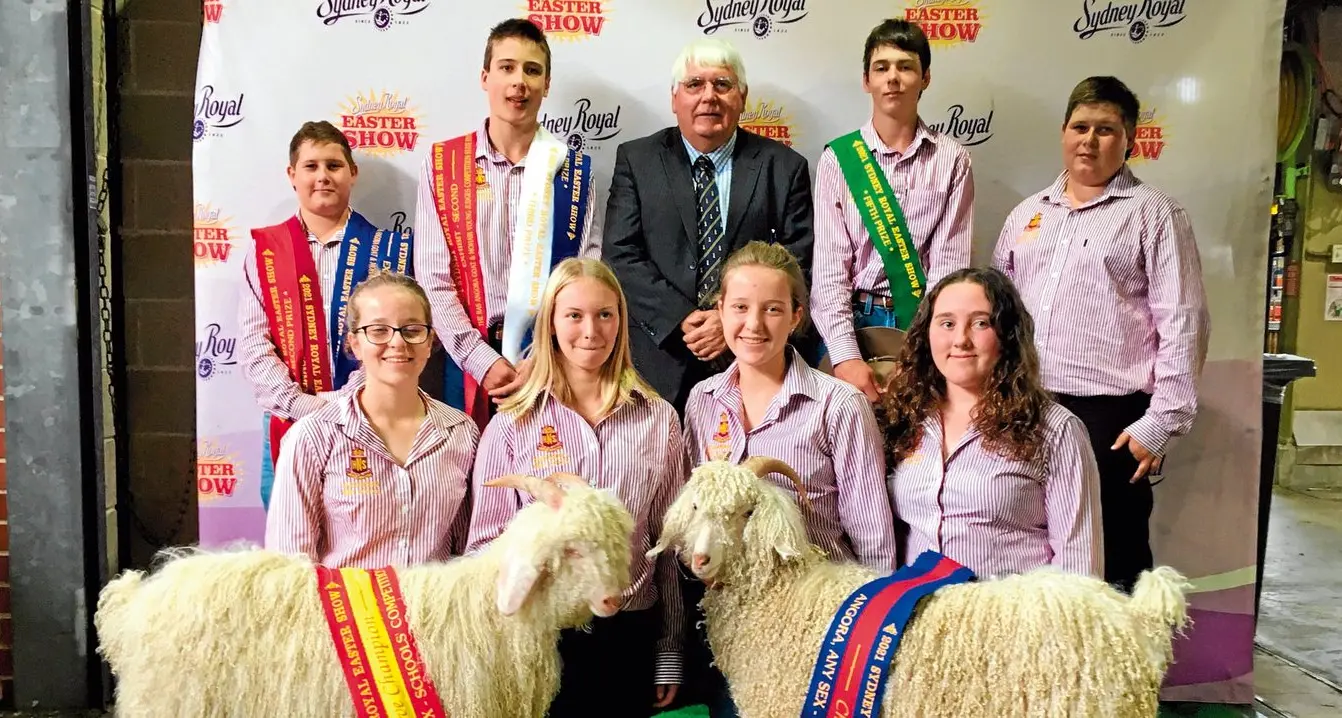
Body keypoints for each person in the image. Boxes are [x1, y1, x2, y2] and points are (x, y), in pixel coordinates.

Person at [992, 76, 1209, 592]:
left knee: (1114, 554)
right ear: (1063, 133)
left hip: (1110, 419)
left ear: (1130, 139)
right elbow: (998, 309)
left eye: (1106, 130)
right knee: (1030, 548)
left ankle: (1124, 668)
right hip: (1027, 405)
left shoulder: (1154, 214)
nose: (1089, 140)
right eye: (1080, 126)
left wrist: (1160, 422)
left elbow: (1183, 321)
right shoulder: (1028, 214)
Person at [681, 241, 896, 717]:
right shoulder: (702, 402)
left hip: (823, 627)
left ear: (797, 316)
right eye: (739, 307)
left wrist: (875, 636)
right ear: (720, 310)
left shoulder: (838, 405)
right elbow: (695, 517)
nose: (753, 325)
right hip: (733, 628)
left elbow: (873, 535)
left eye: (773, 309)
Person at [465, 258, 685, 717]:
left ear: (621, 322)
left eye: (605, 314)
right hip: (541, 636)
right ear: (550, 323)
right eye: (575, 315)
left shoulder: (658, 419)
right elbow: (483, 548)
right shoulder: (511, 425)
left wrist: (669, 648)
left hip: (628, 631)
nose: (591, 330)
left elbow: (666, 546)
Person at [603, 37, 815, 413]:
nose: (709, 97)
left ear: (742, 97)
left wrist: (727, 317)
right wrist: (680, 319)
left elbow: (796, 262)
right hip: (657, 360)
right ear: (674, 99)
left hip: (753, 359)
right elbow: (620, 254)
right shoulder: (637, 160)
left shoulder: (784, 168)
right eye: (694, 84)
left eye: (722, 84)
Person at [415, 17, 601, 429]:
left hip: (552, 365)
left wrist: (546, 356)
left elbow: (586, 278)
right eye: (507, 67)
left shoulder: (572, 171)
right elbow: (433, 278)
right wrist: (481, 360)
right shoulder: (444, 164)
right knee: (465, 486)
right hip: (464, 364)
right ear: (485, 77)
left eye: (532, 70)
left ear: (547, 84)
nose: (519, 81)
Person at [881, 267, 1103, 579]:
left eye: (980, 323)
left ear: (1007, 334)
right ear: (925, 334)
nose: (960, 340)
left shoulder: (1056, 430)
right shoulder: (905, 418)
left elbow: (1079, 563)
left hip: (1014, 620)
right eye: (947, 323)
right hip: (920, 617)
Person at [240, 120, 414, 510]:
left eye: (334, 166)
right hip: (288, 424)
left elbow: (396, 344)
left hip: (370, 425)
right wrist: (305, 406)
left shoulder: (387, 252)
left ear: (352, 173)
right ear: (292, 175)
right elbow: (254, 344)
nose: (323, 177)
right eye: (311, 166)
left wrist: (348, 403)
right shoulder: (265, 252)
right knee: (290, 553)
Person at [265, 271, 478, 568]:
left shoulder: (462, 433)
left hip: (431, 612)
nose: (397, 342)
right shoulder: (312, 437)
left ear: (430, 341)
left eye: (412, 329)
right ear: (354, 344)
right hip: (345, 611)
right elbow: (290, 567)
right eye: (378, 331)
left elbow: (468, 553)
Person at [811, 18, 974, 402]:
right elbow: (830, 271)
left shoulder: (953, 161)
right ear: (866, 80)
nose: (893, 78)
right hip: (849, 323)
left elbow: (949, 270)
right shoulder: (839, 160)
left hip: (922, 324)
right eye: (881, 68)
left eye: (905, 66)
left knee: (915, 446)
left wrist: (925, 348)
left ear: (926, 77)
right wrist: (846, 355)